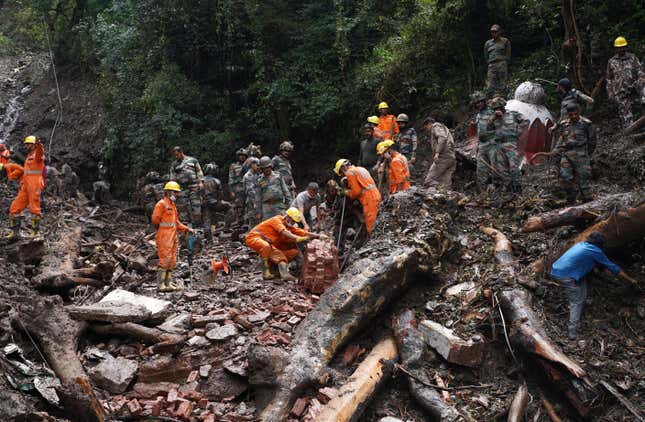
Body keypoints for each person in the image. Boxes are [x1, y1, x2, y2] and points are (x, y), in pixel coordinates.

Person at [550, 232, 638, 339]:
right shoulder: (595, 251)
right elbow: (613, 268)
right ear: (600, 244)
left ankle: (575, 318)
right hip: (565, 276)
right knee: (576, 302)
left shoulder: (581, 244)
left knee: (581, 292)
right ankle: (572, 333)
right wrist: (630, 280)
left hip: (556, 269)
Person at [532, 103, 596, 203]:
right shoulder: (563, 124)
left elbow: (592, 141)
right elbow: (554, 131)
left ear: (579, 112)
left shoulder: (586, 123)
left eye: (576, 114)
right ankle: (571, 198)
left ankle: (587, 200)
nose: (574, 116)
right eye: (571, 115)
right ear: (568, 114)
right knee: (565, 176)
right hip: (567, 154)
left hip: (581, 154)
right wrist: (551, 130)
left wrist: (587, 153)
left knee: (584, 178)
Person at [245, 207, 326, 281]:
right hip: (254, 237)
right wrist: (296, 238)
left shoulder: (289, 226)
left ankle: (279, 272)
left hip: (269, 244)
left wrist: (318, 236)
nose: (293, 223)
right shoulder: (276, 220)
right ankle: (266, 272)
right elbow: (284, 231)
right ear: (287, 217)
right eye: (292, 220)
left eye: (294, 222)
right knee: (267, 247)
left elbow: (303, 232)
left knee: (286, 255)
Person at [152, 181, 194, 292]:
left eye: (177, 192)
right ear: (168, 192)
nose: (177, 194)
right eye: (175, 192)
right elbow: (155, 220)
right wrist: (162, 229)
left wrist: (186, 229)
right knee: (165, 259)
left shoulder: (172, 205)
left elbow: (176, 222)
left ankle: (168, 283)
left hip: (173, 235)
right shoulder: (161, 204)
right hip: (165, 235)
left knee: (172, 260)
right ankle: (161, 285)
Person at [485, 97, 528, 193]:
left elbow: (526, 121)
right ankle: (508, 189)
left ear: (503, 107)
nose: (497, 110)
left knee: (513, 168)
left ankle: (518, 189)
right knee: (502, 169)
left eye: (499, 108)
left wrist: (518, 131)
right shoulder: (493, 118)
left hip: (511, 144)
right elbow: (487, 128)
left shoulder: (512, 114)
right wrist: (493, 117)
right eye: (495, 109)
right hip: (499, 145)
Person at [7, 135, 44, 238]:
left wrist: (39, 144)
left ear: (34, 145)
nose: (26, 146)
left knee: (35, 209)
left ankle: (35, 233)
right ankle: (14, 233)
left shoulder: (38, 155)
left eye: (28, 144)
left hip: (34, 185)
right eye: (26, 144)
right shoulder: (29, 156)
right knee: (14, 208)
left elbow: (41, 152)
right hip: (25, 185)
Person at [334, 159, 381, 234]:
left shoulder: (350, 173)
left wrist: (346, 192)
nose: (343, 174)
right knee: (377, 220)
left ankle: (376, 242)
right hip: (375, 195)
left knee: (371, 224)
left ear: (343, 168)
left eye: (341, 172)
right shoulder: (360, 169)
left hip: (369, 199)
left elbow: (356, 192)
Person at [606, 36, 644, 128]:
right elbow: (609, 79)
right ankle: (630, 132)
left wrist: (640, 80)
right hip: (620, 92)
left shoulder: (633, 58)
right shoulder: (611, 62)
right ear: (616, 49)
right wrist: (610, 92)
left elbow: (640, 71)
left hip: (634, 88)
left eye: (623, 47)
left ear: (626, 47)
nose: (621, 49)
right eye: (619, 48)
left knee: (642, 87)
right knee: (626, 117)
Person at [170, 146, 204, 227]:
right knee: (182, 207)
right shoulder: (174, 164)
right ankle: (185, 225)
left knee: (196, 205)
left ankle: (197, 225)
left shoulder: (192, 160)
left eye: (177, 154)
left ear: (181, 152)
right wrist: (173, 190)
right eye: (175, 155)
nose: (176, 156)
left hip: (194, 186)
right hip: (182, 188)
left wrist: (201, 182)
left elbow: (199, 171)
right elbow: (172, 178)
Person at [422, 117, 456, 189]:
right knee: (446, 182)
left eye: (426, 127)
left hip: (443, 157)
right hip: (451, 157)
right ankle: (446, 194)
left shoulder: (435, 126)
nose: (427, 130)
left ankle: (441, 189)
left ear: (429, 124)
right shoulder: (444, 128)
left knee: (428, 181)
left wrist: (437, 152)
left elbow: (442, 138)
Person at [471, 91, 495, 191]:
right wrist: (476, 146)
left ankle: (498, 192)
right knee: (481, 170)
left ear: (484, 101)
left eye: (480, 102)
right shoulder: (478, 115)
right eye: (476, 103)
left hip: (493, 145)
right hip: (482, 146)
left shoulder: (492, 112)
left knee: (495, 169)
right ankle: (483, 193)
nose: (478, 104)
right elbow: (478, 132)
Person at [256, 156, 293, 220]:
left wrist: (290, 206)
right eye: (265, 168)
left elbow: (285, 191)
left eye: (268, 167)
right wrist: (258, 211)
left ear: (271, 166)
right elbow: (258, 197)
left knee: (283, 224)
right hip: (266, 207)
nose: (267, 169)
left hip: (279, 205)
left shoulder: (278, 176)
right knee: (268, 227)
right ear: (261, 169)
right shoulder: (259, 180)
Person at [202, 163, 232, 240]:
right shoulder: (216, 181)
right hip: (214, 203)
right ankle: (226, 227)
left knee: (207, 219)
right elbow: (220, 194)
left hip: (204, 203)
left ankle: (208, 238)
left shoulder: (201, 181)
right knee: (229, 207)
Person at [484, 24, 511, 98]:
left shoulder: (505, 41)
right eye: (492, 32)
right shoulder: (488, 43)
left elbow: (508, 54)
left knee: (503, 84)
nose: (494, 33)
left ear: (499, 32)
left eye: (495, 31)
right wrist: (489, 63)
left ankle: (503, 101)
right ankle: (490, 102)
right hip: (491, 64)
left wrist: (504, 62)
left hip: (501, 63)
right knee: (490, 85)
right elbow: (486, 55)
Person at [228, 148, 249, 227]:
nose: (242, 157)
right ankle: (239, 223)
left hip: (248, 187)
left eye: (243, 156)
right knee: (239, 207)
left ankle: (247, 223)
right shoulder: (234, 166)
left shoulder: (249, 165)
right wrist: (231, 191)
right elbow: (231, 179)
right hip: (238, 188)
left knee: (248, 205)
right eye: (240, 156)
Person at [242, 157, 262, 228]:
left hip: (258, 200)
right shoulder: (248, 176)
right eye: (256, 164)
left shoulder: (257, 174)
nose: (258, 166)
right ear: (251, 165)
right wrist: (254, 203)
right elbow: (250, 191)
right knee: (253, 220)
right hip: (252, 202)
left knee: (259, 220)